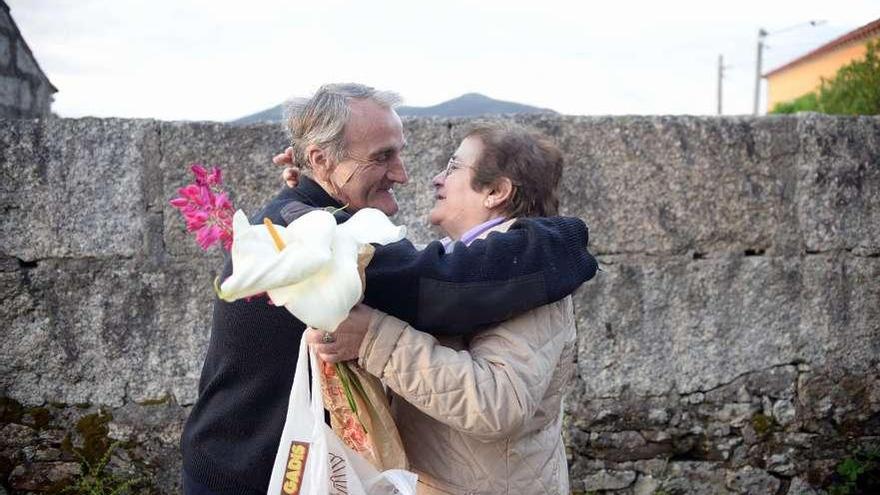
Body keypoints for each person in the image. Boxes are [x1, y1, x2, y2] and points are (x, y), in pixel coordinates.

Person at [179, 83, 598, 494]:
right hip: (262, 476)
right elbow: (442, 283)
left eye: (400, 153)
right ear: (321, 159)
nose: (403, 174)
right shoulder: (321, 244)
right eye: (382, 157)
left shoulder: (297, 219)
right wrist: (562, 241)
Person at [310, 122, 583, 494]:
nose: (437, 179)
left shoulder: (523, 277)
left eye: (454, 167)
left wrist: (373, 340)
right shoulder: (464, 267)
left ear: (496, 191)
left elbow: (498, 402)